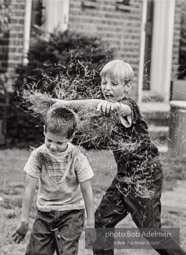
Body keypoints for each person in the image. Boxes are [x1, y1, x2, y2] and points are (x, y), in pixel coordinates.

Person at [50, 60, 186, 255]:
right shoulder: (106, 110)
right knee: (101, 222)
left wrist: (66, 104)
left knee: (151, 232)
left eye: (114, 84)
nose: (107, 88)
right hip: (124, 176)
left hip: (145, 176)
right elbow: (92, 116)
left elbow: (120, 110)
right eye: (104, 83)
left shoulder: (128, 106)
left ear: (127, 87)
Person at [12, 106, 95, 255]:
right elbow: (29, 189)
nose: (53, 146)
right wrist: (24, 221)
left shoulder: (77, 157)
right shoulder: (38, 155)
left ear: (71, 137)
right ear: (44, 130)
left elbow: (87, 189)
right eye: (49, 140)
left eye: (59, 143)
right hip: (45, 213)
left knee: (66, 252)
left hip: (72, 213)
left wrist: (91, 222)